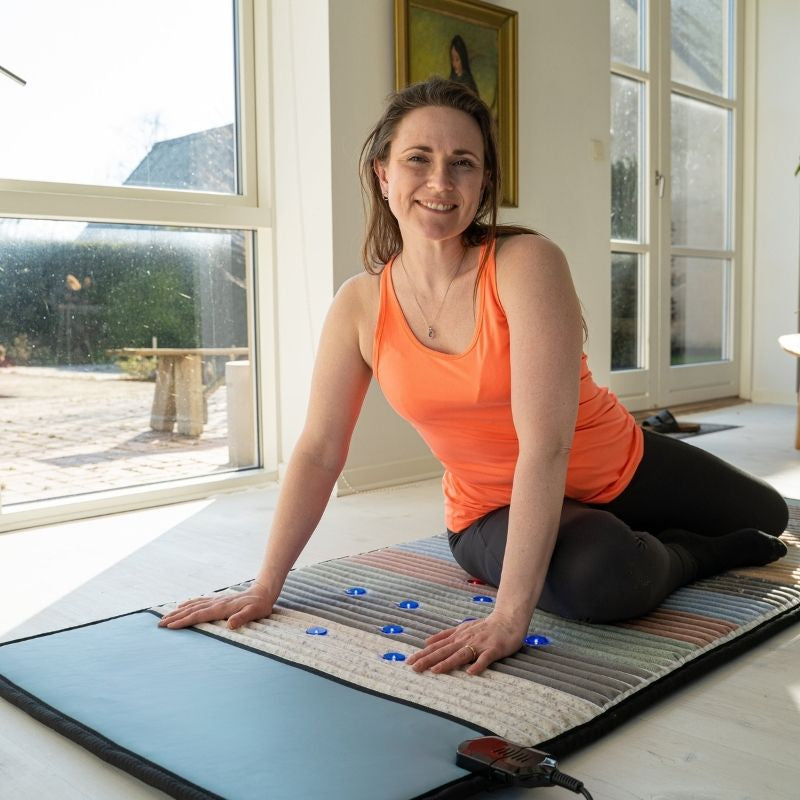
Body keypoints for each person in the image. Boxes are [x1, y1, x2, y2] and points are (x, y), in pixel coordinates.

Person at [159, 77, 788, 677]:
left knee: (767, 513)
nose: (440, 181)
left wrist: (509, 618)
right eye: (418, 159)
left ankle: (646, 531)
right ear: (383, 174)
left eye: (463, 163)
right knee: (606, 580)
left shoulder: (525, 263)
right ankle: (695, 554)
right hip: (492, 508)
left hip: (616, 460)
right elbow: (320, 450)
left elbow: (547, 444)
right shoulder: (359, 305)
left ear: (484, 181)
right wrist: (266, 584)